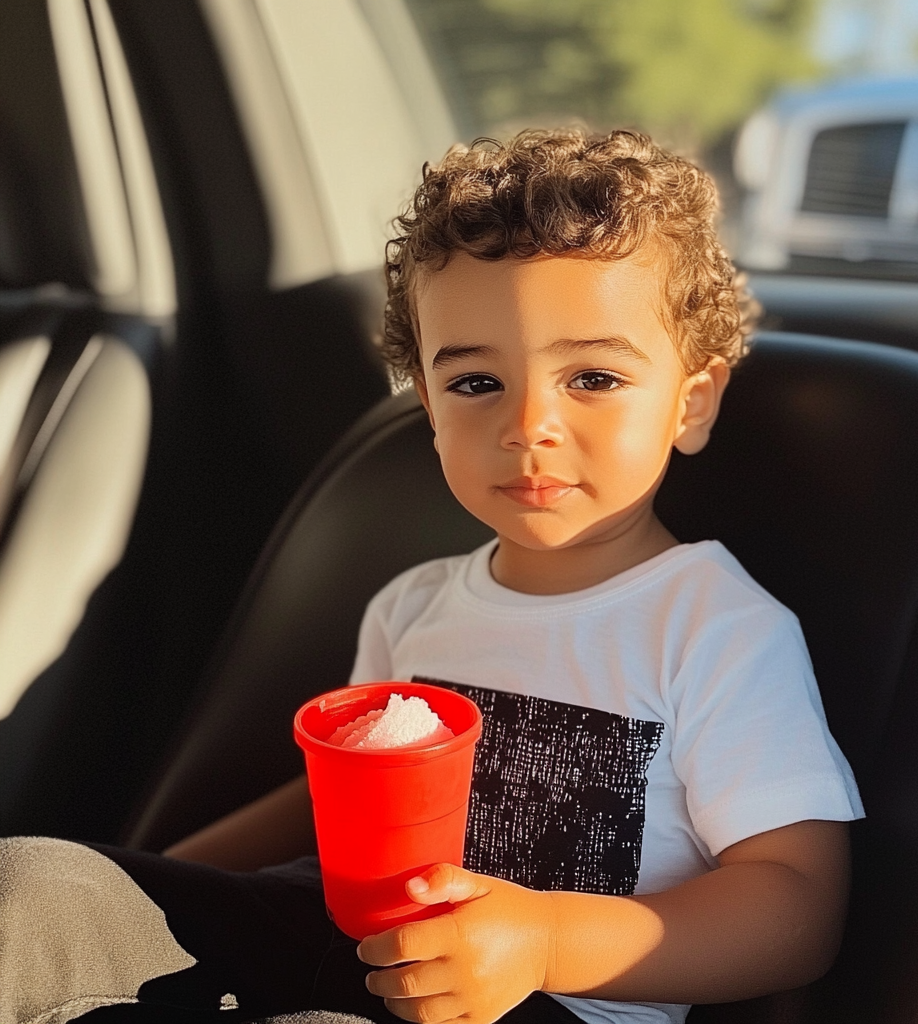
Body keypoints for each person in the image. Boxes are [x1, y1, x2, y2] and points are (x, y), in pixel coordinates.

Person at [1, 129, 862, 1024]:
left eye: (593, 377)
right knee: (33, 889)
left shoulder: (715, 628)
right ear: (426, 398)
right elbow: (331, 802)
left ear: (691, 402)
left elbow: (795, 906)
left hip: (549, 1003)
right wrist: (149, 878)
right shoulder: (414, 606)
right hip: (336, 939)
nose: (529, 425)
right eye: (478, 384)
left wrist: (543, 940)